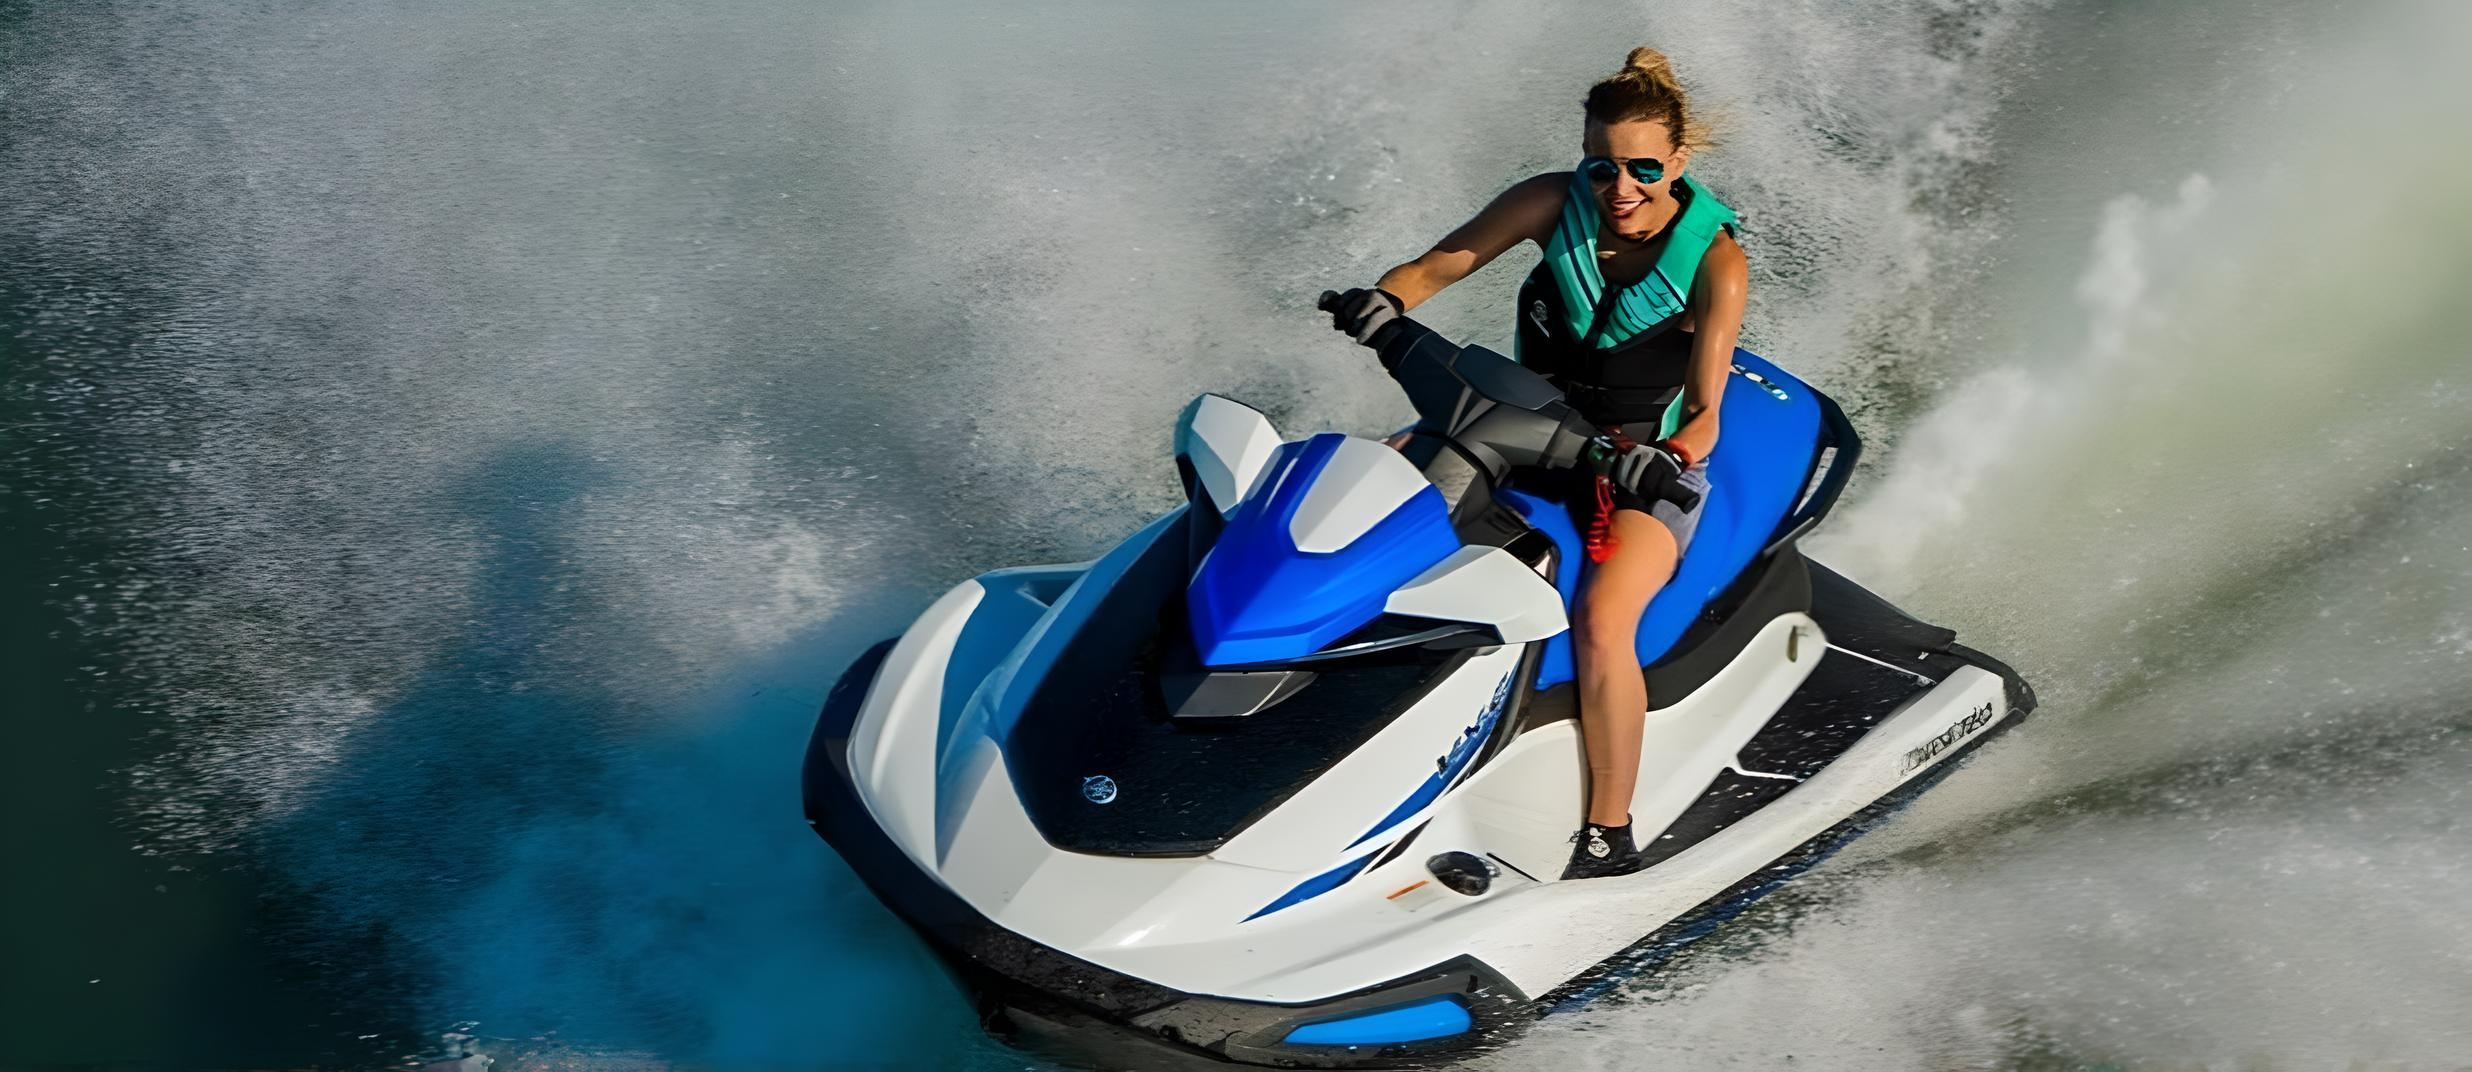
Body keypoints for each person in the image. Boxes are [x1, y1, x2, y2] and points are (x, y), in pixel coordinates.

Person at [1323, 46, 1746, 880]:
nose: (1620, 188)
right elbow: (1434, 267)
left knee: (1602, 620)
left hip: (1634, 465)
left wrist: (1660, 459)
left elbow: (1704, 417)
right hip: (1520, 428)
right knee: (1365, 495)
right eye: (1602, 166)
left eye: (1643, 169)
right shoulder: (1552, 202)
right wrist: (1386, 299)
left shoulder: (1715, 263)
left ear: (1677, 163)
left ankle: (1609, 834)